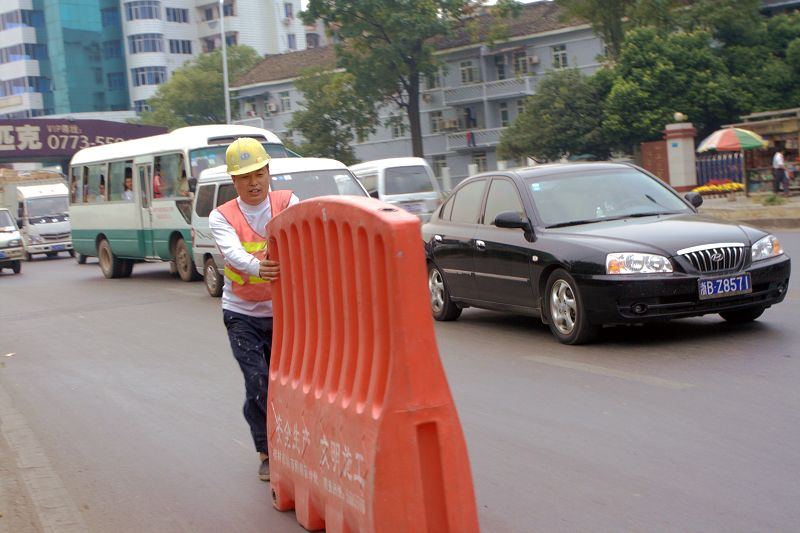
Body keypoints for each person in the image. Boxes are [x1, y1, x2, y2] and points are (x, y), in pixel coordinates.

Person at [209, 137, 298, 482]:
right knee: (258, 380)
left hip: (283, 312)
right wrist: (258, 267)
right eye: (244, 177)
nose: (253, 182)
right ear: (234, 182)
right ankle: (266, 451)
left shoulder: (288, 202)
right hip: (241, 314)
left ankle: (292, 444)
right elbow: (232, 253)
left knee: (283, 383)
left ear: (268, 171)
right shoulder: (222, 216)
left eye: (258, 173)